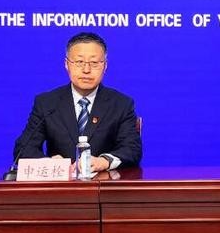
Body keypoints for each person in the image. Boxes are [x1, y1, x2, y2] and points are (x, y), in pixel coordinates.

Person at [13, 32, 141, 170]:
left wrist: (104, 161)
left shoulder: (121, 104)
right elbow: (23, 149)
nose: (86, 70)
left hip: (104, 181)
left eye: (94, 63)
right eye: (79, 62)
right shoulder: (47, 103)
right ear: (67, 64)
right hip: (60, 182)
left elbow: (132, 149)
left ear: (105, 66)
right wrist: (49, 163)